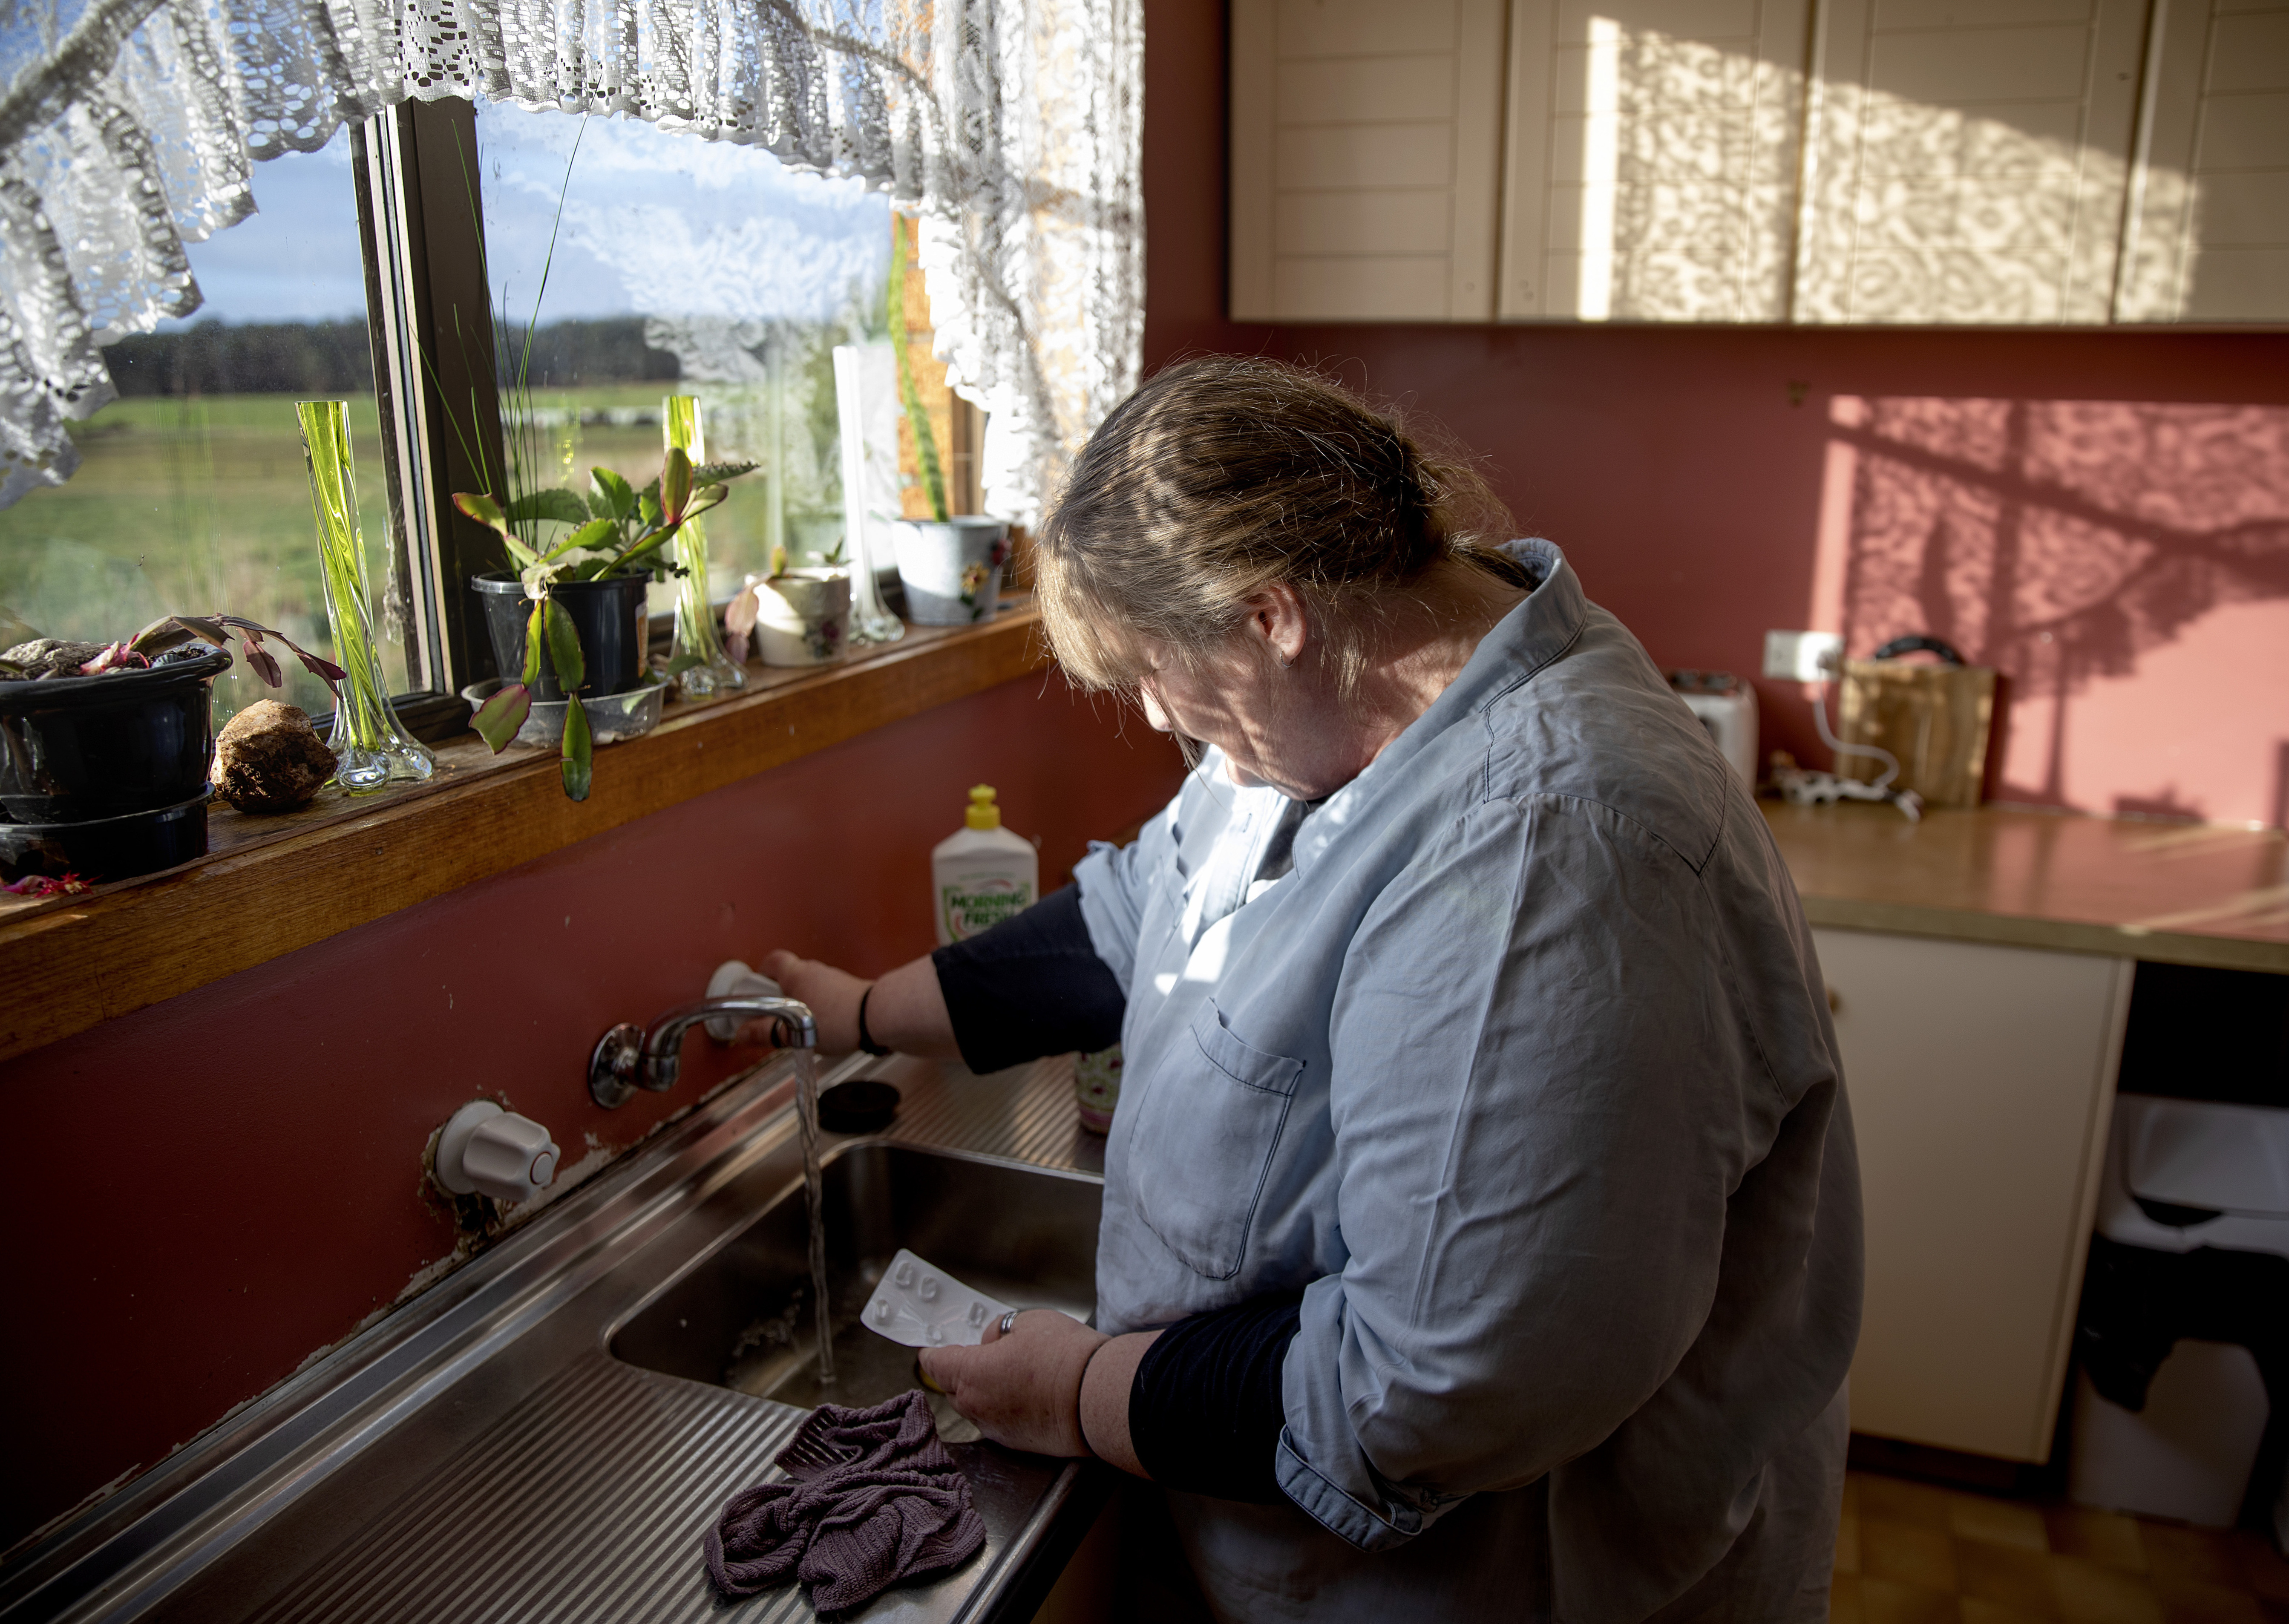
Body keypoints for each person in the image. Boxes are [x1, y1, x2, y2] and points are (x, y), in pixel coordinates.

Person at [759, 357, 1862, 1621]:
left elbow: (1434, 1377)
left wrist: (1080, 1394)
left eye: (1154, 673)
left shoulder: (1554, 852)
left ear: (1270, 611)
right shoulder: (1345, 699)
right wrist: (853, 1013)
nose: (1165, 719)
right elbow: (1135, 919)